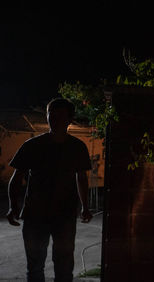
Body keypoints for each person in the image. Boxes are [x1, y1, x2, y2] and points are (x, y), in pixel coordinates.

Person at [6, 98, 93, 282]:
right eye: (51, 115)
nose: (54, 119)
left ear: (70, 119)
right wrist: (13, 206)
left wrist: (85, 206)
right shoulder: (32, 145)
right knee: (36, 268)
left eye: (60, 116)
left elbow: (81, 178)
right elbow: (16, 178)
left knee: (63, 268)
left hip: (64, 216)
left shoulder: (77, 147)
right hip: (35, 216)